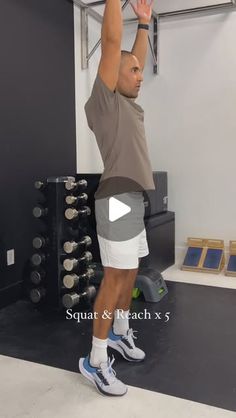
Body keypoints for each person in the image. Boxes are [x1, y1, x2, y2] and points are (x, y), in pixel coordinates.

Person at [79, 0, 155, 396]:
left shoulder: (125, 100)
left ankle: (120, 334)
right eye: (135, 70)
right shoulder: (106, 101)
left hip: (133, 197)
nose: (140, 74)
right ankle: (95, 360)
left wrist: (143, 23)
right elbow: (113, 45)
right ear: (114, 76)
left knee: (128, 273)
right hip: (117, 199)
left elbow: (128, 56)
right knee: (114, 279)